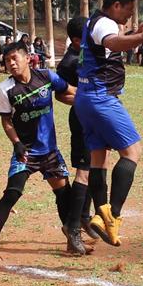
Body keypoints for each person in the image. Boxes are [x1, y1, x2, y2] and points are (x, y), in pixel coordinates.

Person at [74, 0, 143, 248]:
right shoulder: (105, 25)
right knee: (132, 151)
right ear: (116, 6)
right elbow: (113, 41)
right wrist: (142, 38)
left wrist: (137, 33)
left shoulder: (97, 23)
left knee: (99, 159)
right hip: (101, 98)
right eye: (129, 11)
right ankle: (115, 215)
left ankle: (103, 217)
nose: (130, 16)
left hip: (85, 99)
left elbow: (111, 45)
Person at [0, 41, 76, 265]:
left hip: (50, 151)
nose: (11, 63)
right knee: (12, 193)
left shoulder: (46, 77)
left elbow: (69, 91)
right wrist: (16, 143)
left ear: (27, 58)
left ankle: (72, 238)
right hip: (26, 152)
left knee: (64, 193)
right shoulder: (5, 88)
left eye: (15, 58)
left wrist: (93, 100)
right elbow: (6, 120)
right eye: (7, 61)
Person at [56, 16, 101, 255]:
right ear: (76, 39)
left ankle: (84, 216)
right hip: (82, 118)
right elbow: (61, 96)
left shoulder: (89, 53)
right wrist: (86, 99)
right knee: (84, 171)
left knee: (96, 166)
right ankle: (72, 226)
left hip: (98, 116)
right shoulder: (69, 63)